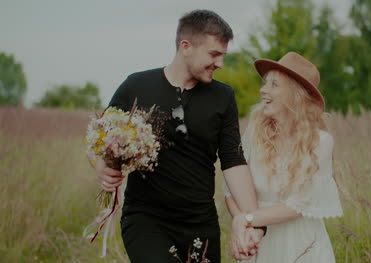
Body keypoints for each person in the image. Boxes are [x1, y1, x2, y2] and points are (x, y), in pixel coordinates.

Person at [94, 9, 262, 262]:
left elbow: (233, 160)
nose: (220, 64)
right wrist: (100, 166)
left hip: (200, 222)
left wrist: (254, 221)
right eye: (214, 54)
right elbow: (100, 141)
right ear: (186, 46)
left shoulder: (223, 97)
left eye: (223, 56)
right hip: (146, 220)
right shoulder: (136, 86)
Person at [224, 52, 343, 262]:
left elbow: (299, 205)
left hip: (302, 246)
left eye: (274, 85)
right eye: (265, 83)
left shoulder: (320, 142)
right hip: (257, 242)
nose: (263, 90)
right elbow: (232, 189)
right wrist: (248, 228)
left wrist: (246, 220)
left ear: (295, 94)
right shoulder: (254, 132)